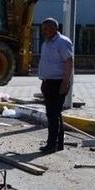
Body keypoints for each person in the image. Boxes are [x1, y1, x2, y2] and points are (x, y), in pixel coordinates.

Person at [37, 18, 74, 153]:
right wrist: (43, 81)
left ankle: (51, 144)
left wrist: (65, 83)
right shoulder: (46, 43)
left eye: (46, 29)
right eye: (43, 29)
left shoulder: (62, 42)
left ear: (54, 28)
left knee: (53, 115)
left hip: (58, 83)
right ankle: (58, 144)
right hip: (48, 82)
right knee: (54, 114)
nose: (43, 32)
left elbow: (69, 62)